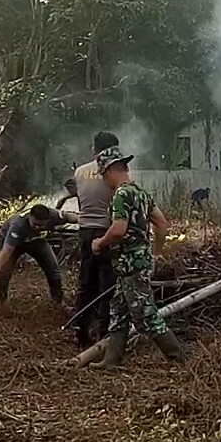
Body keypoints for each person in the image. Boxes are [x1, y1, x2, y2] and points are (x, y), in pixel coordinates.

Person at [89, 147, 185, 368]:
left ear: (112, 169)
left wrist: (99, 243)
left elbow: (118, 229)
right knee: (119, 310)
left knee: (146, 315)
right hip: (135, 264)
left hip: (130, 265)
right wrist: (155, 254)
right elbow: (161, 224)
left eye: (104, 174)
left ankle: (178, 359)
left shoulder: (121, 195)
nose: (104, 180)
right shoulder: (141, 193)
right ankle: (112, 360)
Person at [72, 132, 120, 348]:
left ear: (94, 149)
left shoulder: (79, 172)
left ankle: (80, 330)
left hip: (85, 232)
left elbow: (82, 206)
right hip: (106, 232)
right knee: (107, 284)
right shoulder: (113, 172)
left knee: (86, 282)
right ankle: (103, 332)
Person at [0, 203, 78, 305]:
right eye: (34, 224)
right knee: (3, 273)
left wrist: (82, 219)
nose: (37, 227)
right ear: (30, 217)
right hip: (14, 243)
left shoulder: (54, 216)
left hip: (36, 241)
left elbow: (68, 216)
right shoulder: (18, 224)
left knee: (53, 270)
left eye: (41, 225)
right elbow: (7, 250)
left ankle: (58, 301)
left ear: (47, 220)